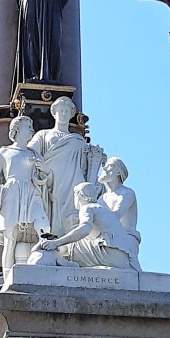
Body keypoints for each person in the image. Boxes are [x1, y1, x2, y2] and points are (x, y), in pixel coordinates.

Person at [0, 115, 52, 276]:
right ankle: (8, 279)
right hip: (12, 194)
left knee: (43, 225)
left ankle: (43, 265)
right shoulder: (4, 152)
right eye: (28, 127)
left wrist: (45, 171)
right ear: (16, 130)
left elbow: (46, 179)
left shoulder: (34, 153)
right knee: (10, 240)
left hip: (32, 193)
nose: (32, 130)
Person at [29, 97, 103, 235]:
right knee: (53, 213)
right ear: (54, 113)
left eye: (66, 111)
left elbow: (86, 166)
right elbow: (30, 152)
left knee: (72, 215)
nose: (63, 114)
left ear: (71, 114)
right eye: (61, 110)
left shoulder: (78, 140)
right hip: (51, 180)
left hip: (74, 181)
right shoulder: (43, 135)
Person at [38, 182, 135, 268]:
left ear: (79, 196)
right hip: (123, 259)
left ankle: (66, 262)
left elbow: (84, 229)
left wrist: (56, 242)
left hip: (109, 254)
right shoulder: (103, 209)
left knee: (71, 244)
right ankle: (69, 262)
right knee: (79, 242)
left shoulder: (87, 208)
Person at [98, 157, 141, 271]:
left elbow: (113, 218)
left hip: (124, 240)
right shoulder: (103, 198)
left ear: (118, 171)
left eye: (110, 166)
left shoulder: (127, 193)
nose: (105, 168)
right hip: (106, 239)